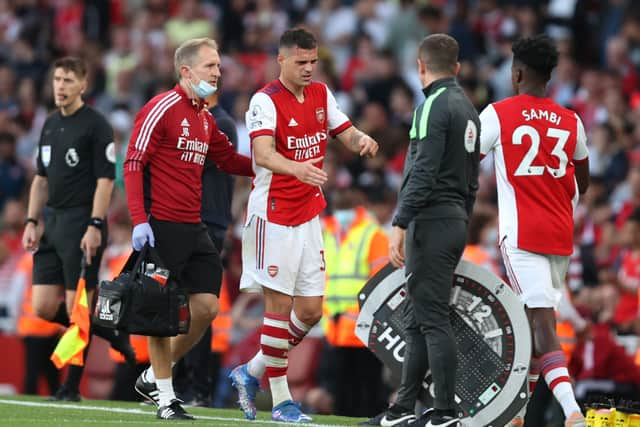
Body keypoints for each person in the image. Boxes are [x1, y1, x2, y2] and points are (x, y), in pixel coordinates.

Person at [228, 27, 379, 423]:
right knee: (278, 311)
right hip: (273, 215)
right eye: (301, 62)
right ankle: (281, 403)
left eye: (313, 61)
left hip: (309, 214)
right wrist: (298, 168)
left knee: (311, 311)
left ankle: (251, 371)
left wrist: (362, 139)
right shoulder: (265, 101)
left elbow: (343, 131)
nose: (309, 68)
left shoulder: (321, 94)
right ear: (281, 60)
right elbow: (261, 153)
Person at [123, 37, 253, 420]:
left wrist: (273, 166)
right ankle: (166, 399)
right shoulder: (160, 107)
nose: (217, 72)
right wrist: (139, 219)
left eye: (218, 66)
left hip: (193, 226)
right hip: (160, 226)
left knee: (208, 307)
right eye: (210, 66)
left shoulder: (204, 117)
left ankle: (152, 375)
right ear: (186, 71)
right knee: (158, 314)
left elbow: (227, 158)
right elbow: (133, 163)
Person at [478, 34, 589, 427]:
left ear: (518, 73)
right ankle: (518, 413)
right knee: (529, 320)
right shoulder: (571, 120)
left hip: (522, 236)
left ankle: (572, 412)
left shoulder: (498, 114)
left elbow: (464, 159)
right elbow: (583, 177)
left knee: (542, 323)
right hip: (560, 235)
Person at [21, 56, 134, 401]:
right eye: (57, 79)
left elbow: (105, 181)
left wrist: (95, 225)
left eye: (68, 80)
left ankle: (71, 385)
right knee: (42, 307)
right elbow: (41, 179)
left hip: (81, 220)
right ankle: (108, 331)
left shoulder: (95, 125)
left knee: (77, 308)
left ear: (83, 85)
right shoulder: (50, 124)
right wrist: (31, 220)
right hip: (53, 221)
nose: (60, 86)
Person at [384, 33, 480, 427]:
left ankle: (444, 412)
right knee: (419, 317)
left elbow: (422, 171)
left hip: (431, 219)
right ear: (456, 68)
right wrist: (462, 219)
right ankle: (402, 409)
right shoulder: (470, 110)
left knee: (433, 317)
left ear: (420, 67)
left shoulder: (431, 107)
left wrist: (400, 221)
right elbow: (473, 181)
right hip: (454, 218)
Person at [173, 77, 239, 407]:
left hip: (208, 223)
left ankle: (198, 388)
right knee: (179, 306)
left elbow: (190, 165)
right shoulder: (195, 120)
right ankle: (177, 383)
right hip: (186, 222)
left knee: (198, 307)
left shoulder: (221, 123)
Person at [321, 188, 389, 417]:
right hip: (335, 322)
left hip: (364, 323)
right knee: (341, 387)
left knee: (367, 386)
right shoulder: (327, 232)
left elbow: (379, 280)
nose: (341, 213)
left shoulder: (373, 234)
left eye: (345, 208)